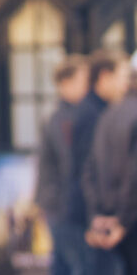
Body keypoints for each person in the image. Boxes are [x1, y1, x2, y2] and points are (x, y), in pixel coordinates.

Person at [40, 55, 98, 275]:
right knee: (77, 264)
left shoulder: (65, 115)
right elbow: (70, 163)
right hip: (63, 205)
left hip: (61, 203)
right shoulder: (63, 118)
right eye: (83, 80)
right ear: (65, 83)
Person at [83, 52, 137, 271]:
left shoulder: (108, 114)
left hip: (113, 220)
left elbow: (90, 171)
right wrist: (123, 220)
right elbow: (133, 175)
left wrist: (99, 215)